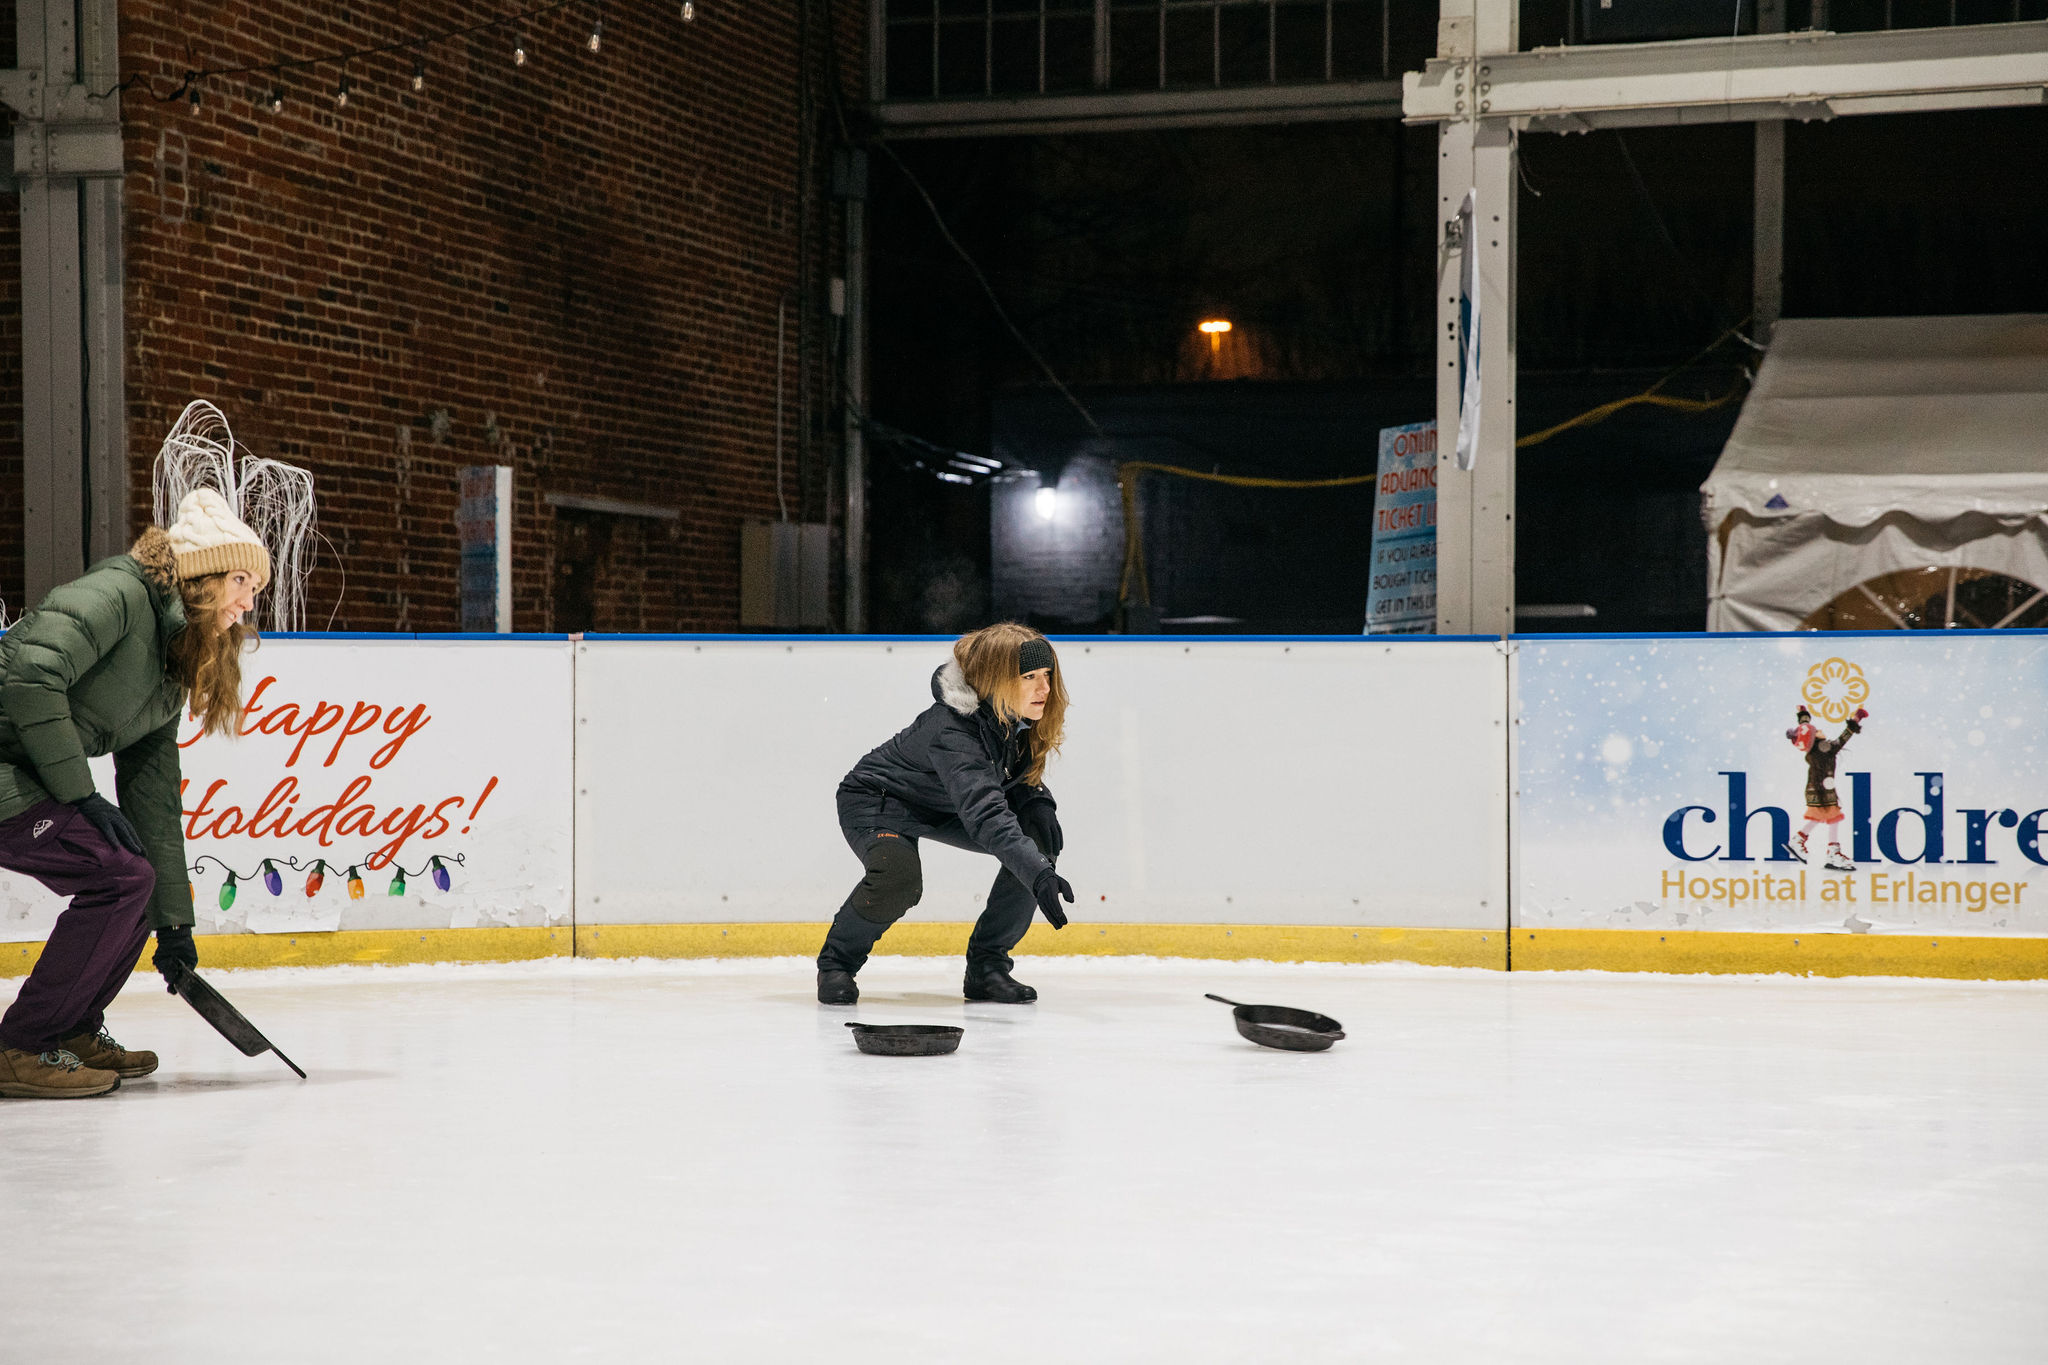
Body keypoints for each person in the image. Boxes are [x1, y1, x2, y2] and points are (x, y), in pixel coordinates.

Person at [0, 490, 269, 1098]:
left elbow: (153, 791)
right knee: (117, 876)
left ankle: (69, 1031)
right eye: (240, 581)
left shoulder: (176, 653)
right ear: (202, 577)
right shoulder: (119, 593)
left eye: (254, 588)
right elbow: (30, 674)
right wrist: (80, 795)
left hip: (26, 772)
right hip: (9, 770)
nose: (248, 603)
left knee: (135, 875)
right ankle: (22, 1046)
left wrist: (173, 924)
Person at [816, 622, 1076, 1006]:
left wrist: (1036, 801)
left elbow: (1009, 774)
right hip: (880, 801)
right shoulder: (953, 730)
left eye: (1047, 675)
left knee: (1036, 838)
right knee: (899, 878)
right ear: (995, 679)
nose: (1044, 688)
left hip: (948, 802)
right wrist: (1038, 875)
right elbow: (986, 814)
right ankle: (836, 964)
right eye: (1029, 677)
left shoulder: (1013, 715)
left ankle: (987, 968)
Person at [1786, 704, 1867, 872]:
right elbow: (1843, 738)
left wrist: (1803, 714)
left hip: (1818, 789)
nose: (1820, 730)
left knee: (1824, 817)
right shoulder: (1824, 750)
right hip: (1821, 790)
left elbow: (1805, 730)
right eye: (1817, 732)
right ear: (1813, 739)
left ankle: (1804, 842)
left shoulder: (1815, 750)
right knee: (1832, 817)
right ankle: (1830, 852)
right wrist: (1856, 719)